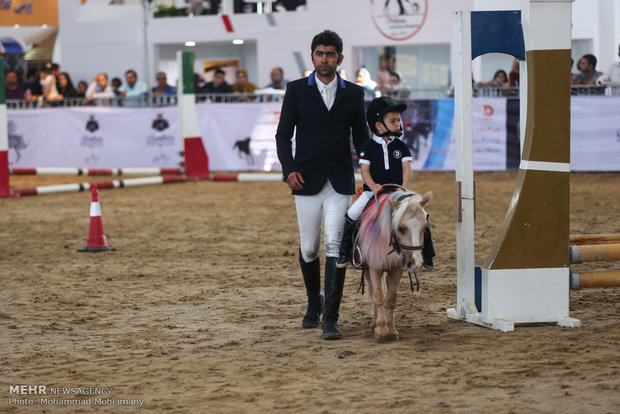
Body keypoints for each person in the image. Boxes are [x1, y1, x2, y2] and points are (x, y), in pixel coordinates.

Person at [275, 29, 369, 340]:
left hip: (340, 181)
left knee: (334, 245)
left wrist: (374, 172)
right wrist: (288, 169)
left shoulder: (354, 94)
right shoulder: (296, 90)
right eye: (319, 53)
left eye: (329, 54)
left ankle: (330, 316)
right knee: (309, 248)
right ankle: (313, 303)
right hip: (305, 178)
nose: (324, 59)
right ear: (313, 55)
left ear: (340, 59)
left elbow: (363, 139)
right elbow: (282, 135)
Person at [335, 97, 436, 269]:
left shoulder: (402, 146)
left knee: (423, 214)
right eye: (393, 121)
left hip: (397, 192)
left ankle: (428, 253)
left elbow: (406, 168)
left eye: (398, 120)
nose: (398, 124)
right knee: (352, 213)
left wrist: (403, 189)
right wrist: (373, 185)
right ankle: (344, 252)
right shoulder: (367, 147)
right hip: (372, 192)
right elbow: (364, 171)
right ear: (379, 125)